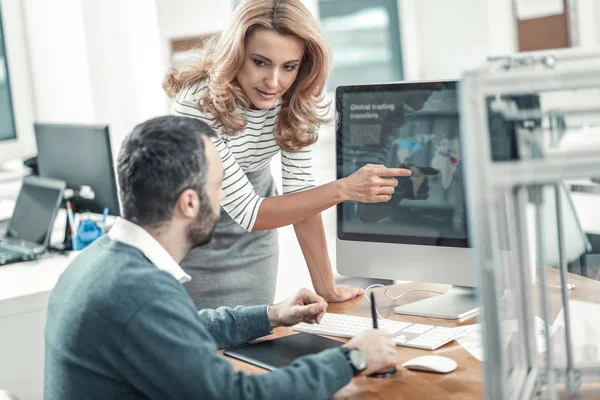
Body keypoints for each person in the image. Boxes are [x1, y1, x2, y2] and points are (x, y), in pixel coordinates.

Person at [43, 116, 398, 400]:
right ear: (189, 204)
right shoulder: (138, 291)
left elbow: (182, 329)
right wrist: (352, 357)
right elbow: (235, 395)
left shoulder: (101, 261)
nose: (224, 198)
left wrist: (271, 315)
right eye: (220, 185)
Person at [164, 0, 412, 309]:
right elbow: (249, 213)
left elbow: (301, 195)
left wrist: (327, 287)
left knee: (252, 333)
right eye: (260, 62)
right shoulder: (196, 105)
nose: (273, 82)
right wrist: (344, 188)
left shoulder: (299, 95)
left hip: (256, 242)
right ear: (236, 54)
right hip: (193, 238)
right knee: (201, 342)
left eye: (289, 67)